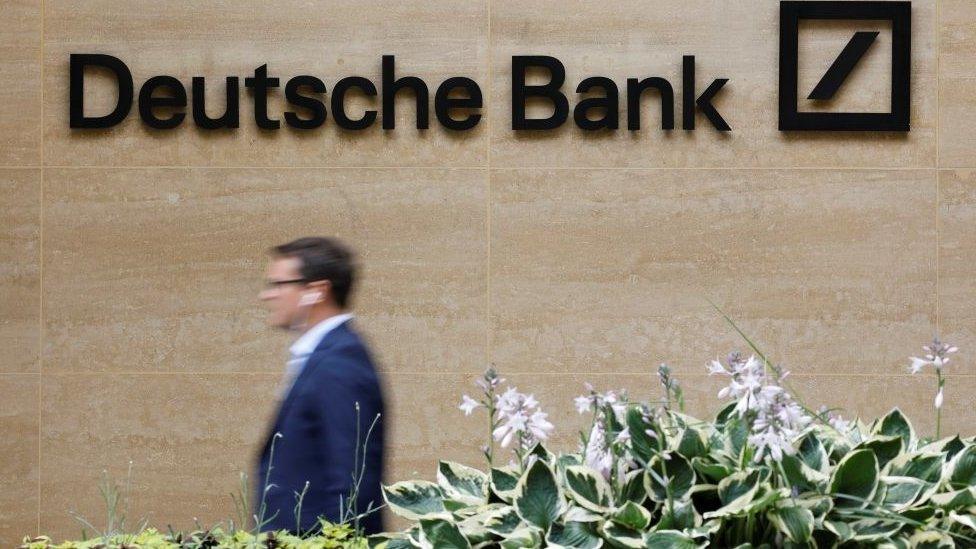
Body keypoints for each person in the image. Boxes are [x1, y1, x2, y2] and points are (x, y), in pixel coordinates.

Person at [255, 237, 385, 535]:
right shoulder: (324, 355)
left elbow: (353, 485)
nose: (266, 296)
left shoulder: (341, 362)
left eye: (278, 285)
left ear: (316, 291)